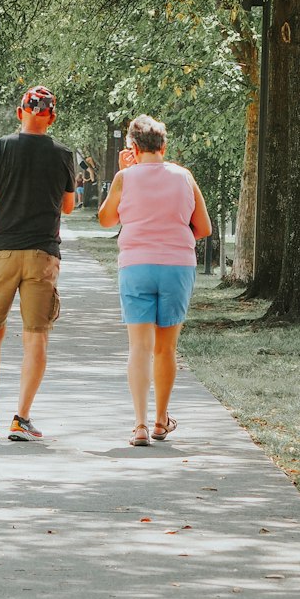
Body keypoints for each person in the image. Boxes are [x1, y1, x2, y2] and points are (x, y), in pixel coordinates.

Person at [0, 85, 76, 441]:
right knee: (36, 336)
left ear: (21, 113)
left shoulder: (1, 148)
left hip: (0, 252)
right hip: (43, 255)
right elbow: (69, 206)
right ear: (52, 116)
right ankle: (22, 419)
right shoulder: (63, 154)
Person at [98, 114, 212, 447]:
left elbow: (106, 219)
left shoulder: (124, 177)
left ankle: (139, 425)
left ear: (132, 147)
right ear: (163, 145)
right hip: (177, 265)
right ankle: (162, 421)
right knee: (166, 348)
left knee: (139, 347)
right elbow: (203, 228)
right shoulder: (184, 177)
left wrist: (121, 173)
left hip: (135, 266)